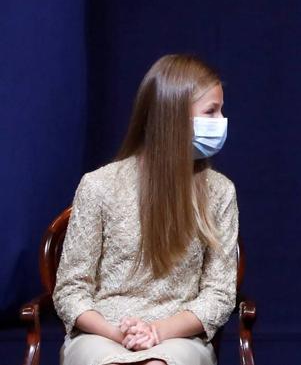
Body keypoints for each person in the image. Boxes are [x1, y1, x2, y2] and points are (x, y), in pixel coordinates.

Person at [53, 54, 238, 365]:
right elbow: (70, 290)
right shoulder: (99, 186)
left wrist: (158, 331)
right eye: (211, 111)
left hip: (178, 337)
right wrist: (116, 334)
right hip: (102, 335)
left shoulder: (220, 192)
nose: (221, 121)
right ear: (173, 116)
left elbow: (219, 294)